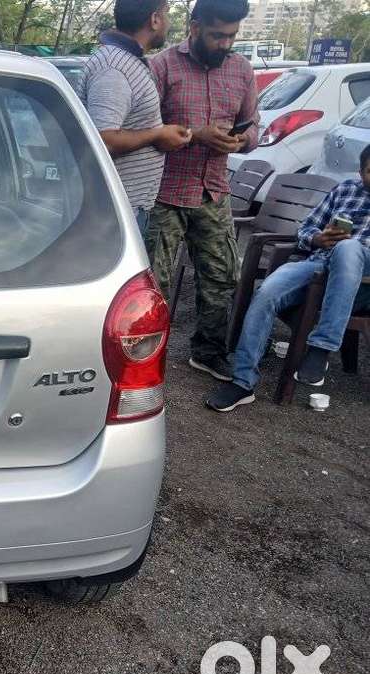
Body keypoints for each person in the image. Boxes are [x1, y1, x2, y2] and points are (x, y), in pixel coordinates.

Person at [207, 145, 370, 411]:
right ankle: (242, 382)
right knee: (266, 294)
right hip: (317, 263)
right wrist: (318, 238)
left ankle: (321, 347)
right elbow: (307, 227)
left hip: (363, 280)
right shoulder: (345, 190)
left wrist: (348, 246)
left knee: (349, 247)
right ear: (361, 171)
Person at [146, 0, 258, 382]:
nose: (225, 43)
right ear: (194, 27)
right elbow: (146, 131)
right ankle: (145, 358)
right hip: (164, 191)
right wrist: (195, 135)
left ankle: (207, 351)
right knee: (151, 281)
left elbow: (253, 127)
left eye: (231, 36)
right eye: (217, 35)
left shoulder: (242, 70)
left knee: (221, 276)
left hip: (213, 190)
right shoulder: (161, 66)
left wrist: (242, 140)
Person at [78, 0, 192, 234]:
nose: (168, 23)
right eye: (166, 15)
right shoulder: (113, 68)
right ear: (154, 19)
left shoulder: (127, 61)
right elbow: (105, 139)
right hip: (113, 214)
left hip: (127, 207)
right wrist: (158, 134)